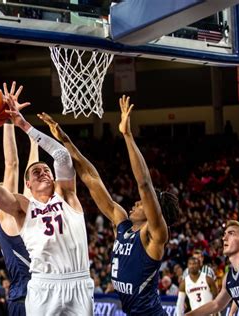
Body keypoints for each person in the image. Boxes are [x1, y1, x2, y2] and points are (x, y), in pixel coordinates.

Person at [38, 95, 179, 315]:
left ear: (154, 210)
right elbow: (91, 178)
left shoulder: (154, 234)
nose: (135, 202)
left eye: (141, 204)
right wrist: (66, 140)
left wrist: (127, 135)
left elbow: (144, 183)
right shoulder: (121, 222)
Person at [0, 82, 94, 315]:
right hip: (43, 286)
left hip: (79, 283)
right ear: (28, 185)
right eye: (36, 172)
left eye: (47, 170)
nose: (43, 171)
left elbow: (62, 156)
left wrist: (22, 124)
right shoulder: (23, 207)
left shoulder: (67, 196)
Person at [0, 82, 36, 315]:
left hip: (40, 292)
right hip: (25, 297)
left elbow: (30, 175)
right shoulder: (6, 215)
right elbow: (12, 165)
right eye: (1, 189)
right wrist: (6, 120)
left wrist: (34, 139)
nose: (6, 189)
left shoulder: (19, 214)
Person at [187, 220, 239, 315]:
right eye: (224, 234)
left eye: (231, 234)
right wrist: (189, 315)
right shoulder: (228, 277)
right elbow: (217, 304)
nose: (224, 238)